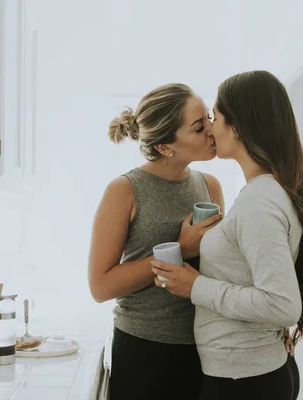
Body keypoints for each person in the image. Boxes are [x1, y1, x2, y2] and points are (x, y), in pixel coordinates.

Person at [151, 70, 303, 400]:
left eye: (214, 117)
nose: (210, 128)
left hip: (243, 380)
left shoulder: (259, 202)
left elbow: (281, 304)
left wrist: (195, 287)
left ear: (239, 127)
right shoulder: (264, 192)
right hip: (247, 372)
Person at [88, 83, 224, 400]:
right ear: (165, 147)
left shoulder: (210, 186)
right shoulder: (124, 190)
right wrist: (181, 250)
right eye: (198, 127)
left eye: (208, 118)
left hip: (204, 348)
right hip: (144, 353)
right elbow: (100, 286)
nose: (211, 130)